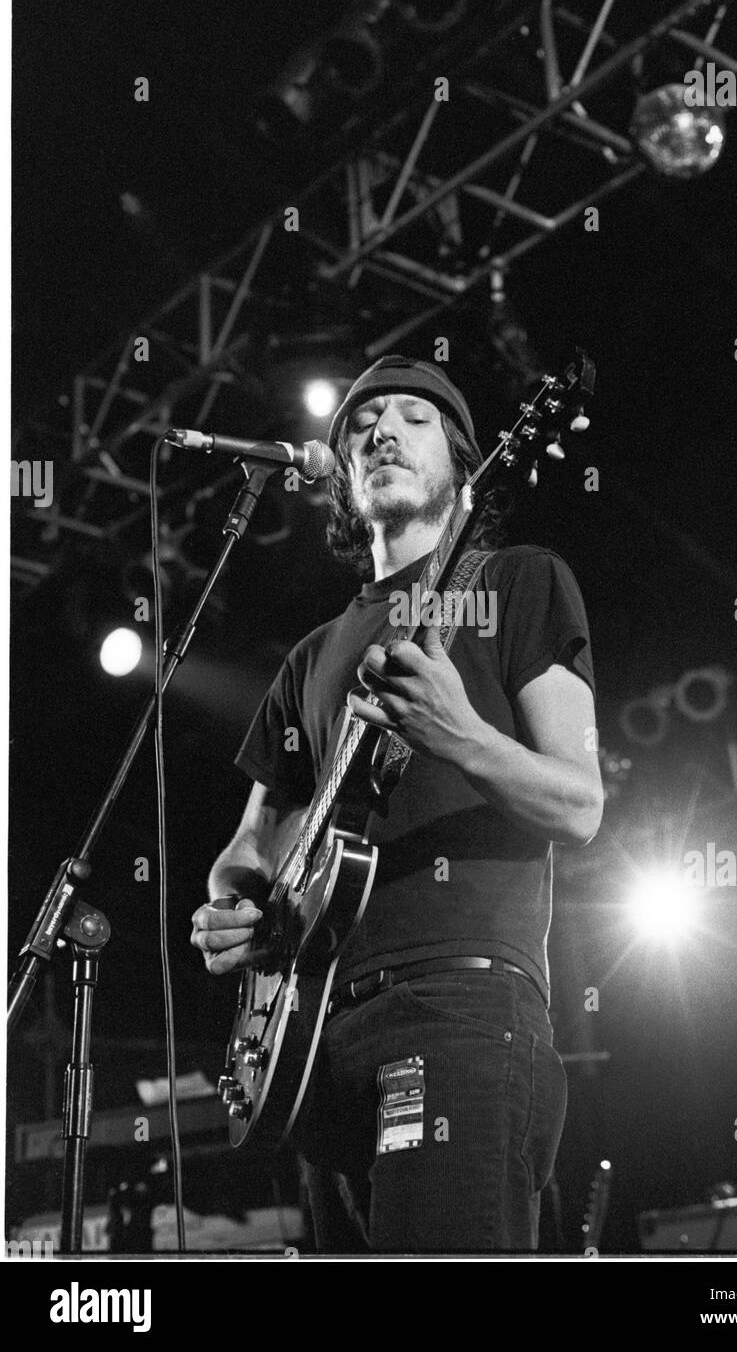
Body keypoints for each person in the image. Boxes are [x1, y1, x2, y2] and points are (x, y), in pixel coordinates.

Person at [190, 356, 603, 1253]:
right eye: (362, 421)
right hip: (312, 1042)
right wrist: (233, 901)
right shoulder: (311, 654)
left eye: (413, 417)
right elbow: (251, 841)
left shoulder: (519, 582)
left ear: (463, 462)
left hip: (457, 1010)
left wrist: (461, 736)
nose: (380, 430)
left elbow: (579, 806)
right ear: (339, 474)